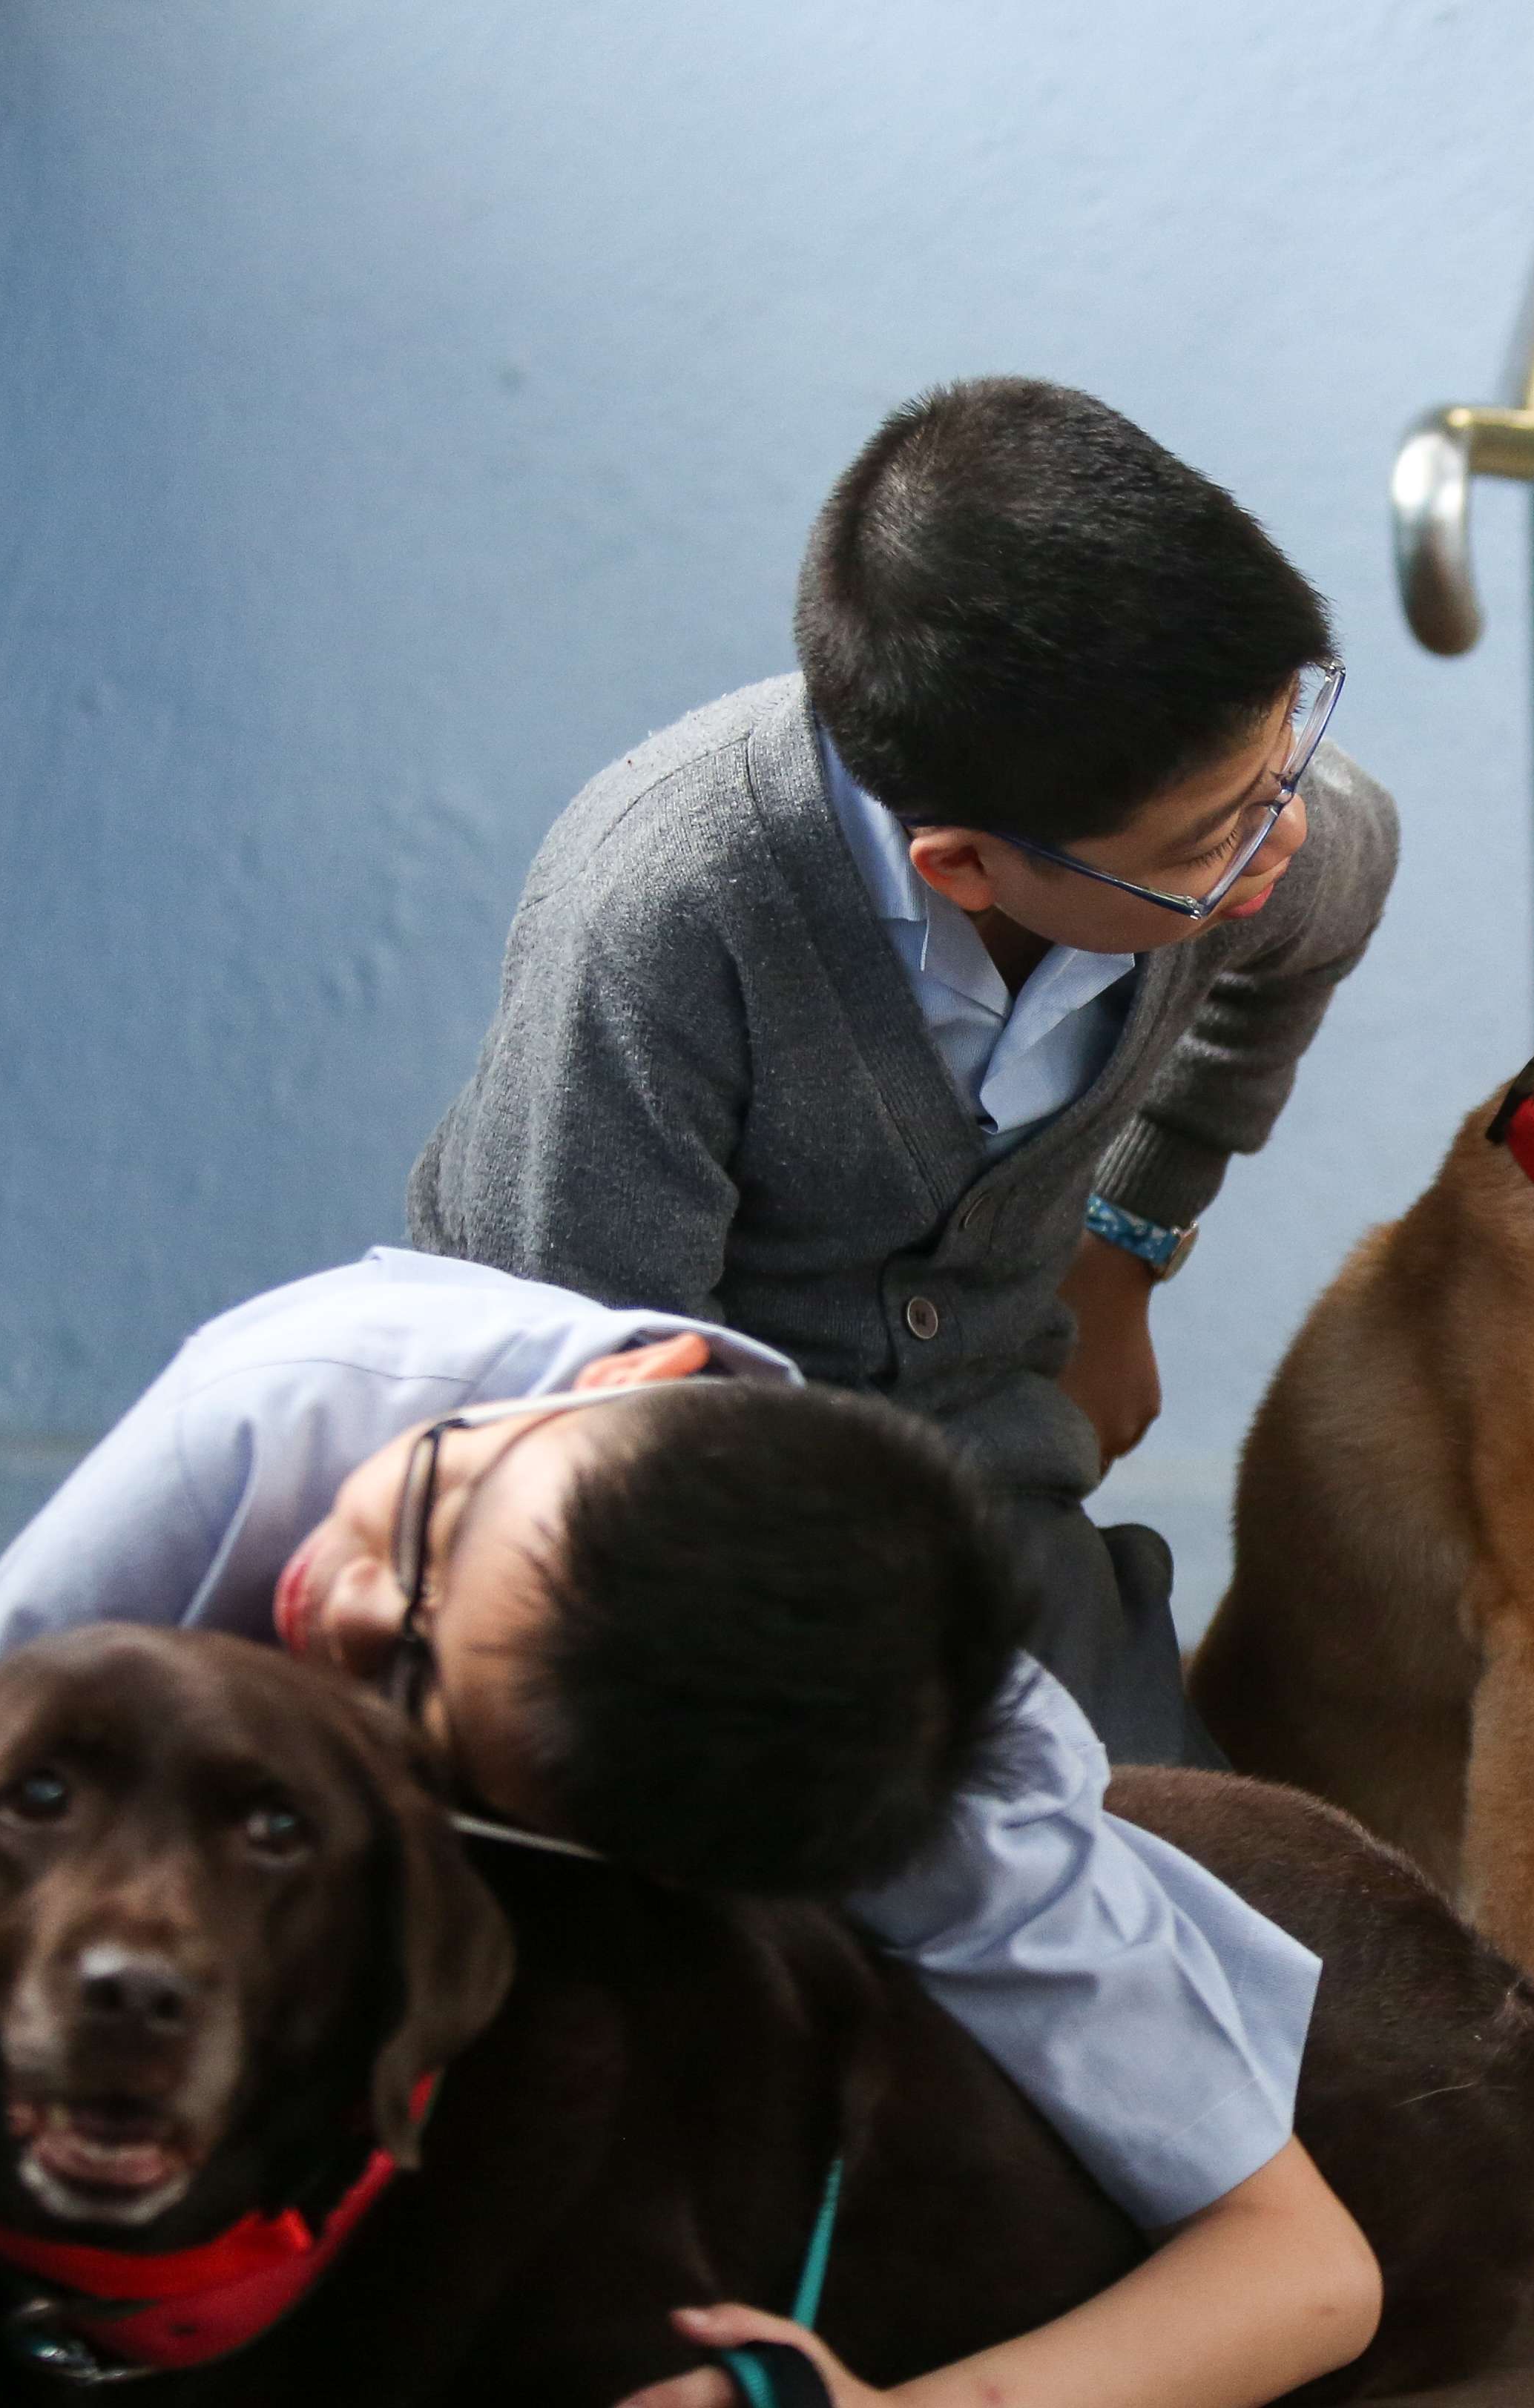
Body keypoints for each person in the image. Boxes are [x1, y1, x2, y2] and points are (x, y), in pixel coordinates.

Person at [0, 1250, 1376, 2408]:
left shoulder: (953, 1804)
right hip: (18, 1814)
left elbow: (1304, 2273)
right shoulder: (314, 1392)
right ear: (638, 1377)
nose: (334, 1594)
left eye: (407, 1687)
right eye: (437, 1516)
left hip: (307, 1978)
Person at [408, 378, 1398, 1771]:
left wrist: (1124, 1249)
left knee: (1215, 1920)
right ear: (964, 865)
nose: (1283, 835)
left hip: (990, 1489)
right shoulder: (667, 911)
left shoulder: (1245, 832)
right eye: (1216, 838)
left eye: (1289, 750)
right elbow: (585, 1406)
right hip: (659, 1530)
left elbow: (1332, 897)